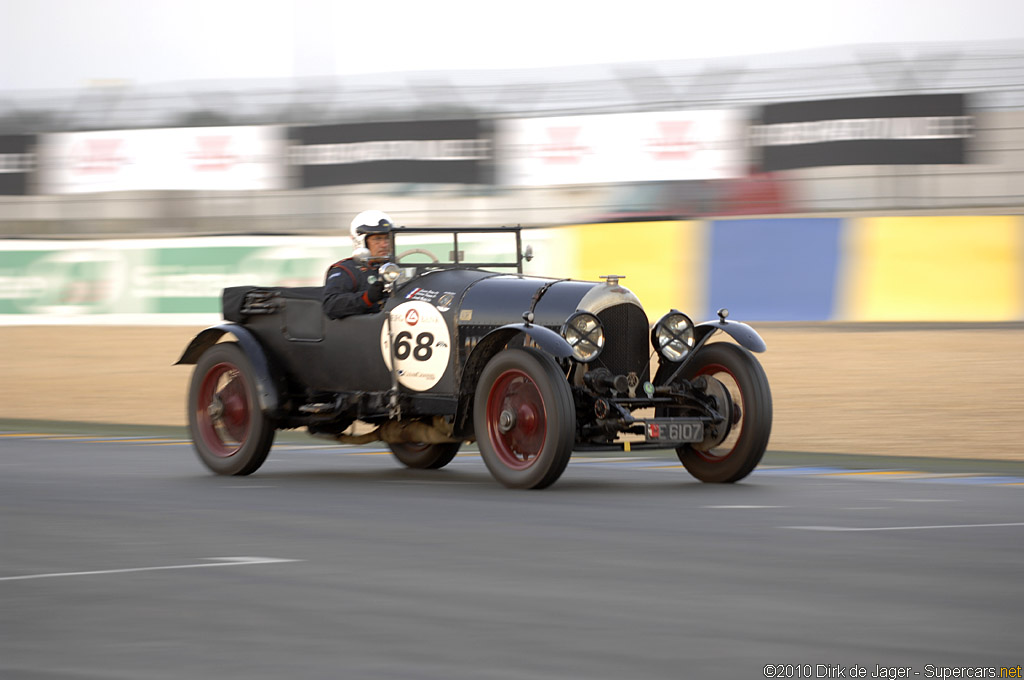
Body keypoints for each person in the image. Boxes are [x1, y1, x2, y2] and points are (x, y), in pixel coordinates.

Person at [322, 210, 393, 319]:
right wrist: (366, 298)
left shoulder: (395, 269)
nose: (384, 244)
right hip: (364, 330)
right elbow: (331, 306)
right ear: (361, 241)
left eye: (387, 238)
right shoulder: (345, 270)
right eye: (377, 239)